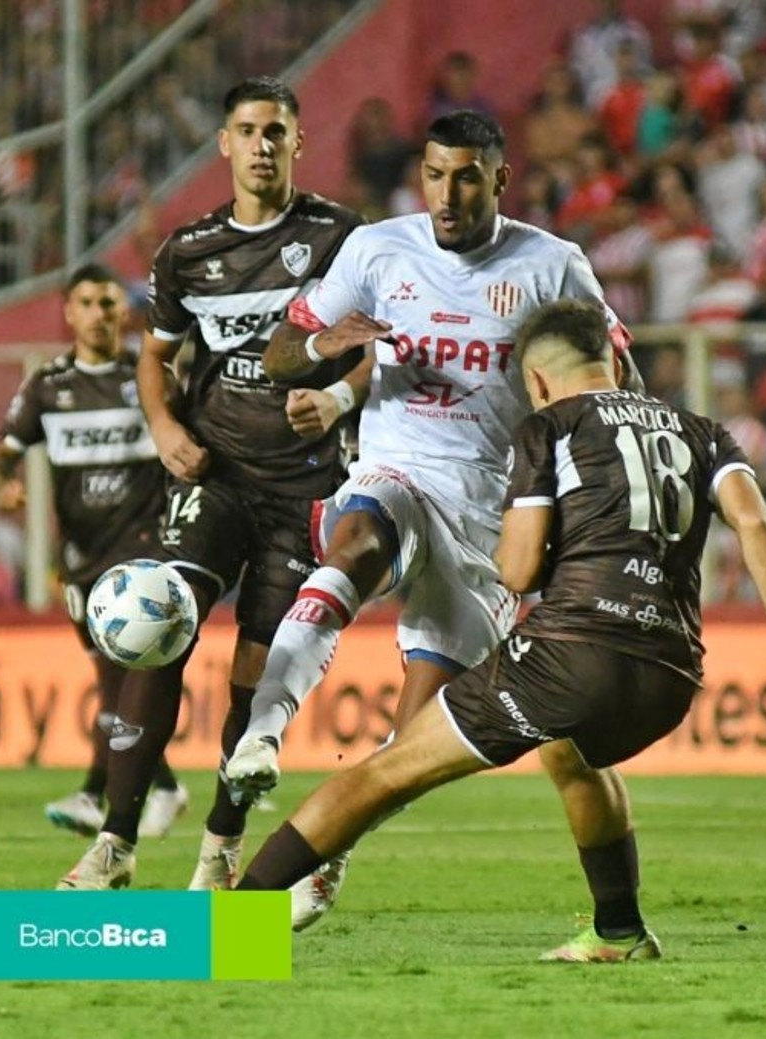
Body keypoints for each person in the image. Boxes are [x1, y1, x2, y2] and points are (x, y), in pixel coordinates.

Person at [234, 299, 766, 962]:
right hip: (671, 671)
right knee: (569, 753)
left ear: (534, 381)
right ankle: (618, 930)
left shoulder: (548, 427)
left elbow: (520, 570)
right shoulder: (702, 431)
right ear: (614, 359)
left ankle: (224, 933)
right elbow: (756, 527)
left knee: (383, 773)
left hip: (574, 655)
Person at [222, 109, 642, 929]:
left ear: (498, 180)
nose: (446, 196)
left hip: (490, 517)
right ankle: (260, 736)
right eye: (434, 175)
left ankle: (335, 847)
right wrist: (322, 350)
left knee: (412, 741)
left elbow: (615, 371)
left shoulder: (552, 265)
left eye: (465, 178)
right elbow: (278, 351)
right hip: (395, 467)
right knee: (360, 536)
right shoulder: (379, 249)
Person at [56, 78, 369, 891]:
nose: (262, 144)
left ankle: (218, 848)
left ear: (298, 143)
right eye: (246, 130)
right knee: (160, 626)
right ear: (223, 144)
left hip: (306, 492)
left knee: (256, 679)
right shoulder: (188, 251)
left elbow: (385, 343)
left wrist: (339, 394)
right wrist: (164, 429)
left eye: (276, 130)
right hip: (219, 474)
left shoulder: (344, 239)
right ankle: (114, 844)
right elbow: (153, 359)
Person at [0, 263, 187, 840]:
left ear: (122, 312)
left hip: (144, 550)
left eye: (108, 303)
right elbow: (5, 450)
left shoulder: (147, 378)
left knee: (119, 674)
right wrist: (3, 481)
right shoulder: (47, 386)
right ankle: (163, 784)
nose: (100, 314)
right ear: (69, 313)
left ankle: (93, 793)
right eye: (88, 303)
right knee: (117, 677)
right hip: (81, 556)